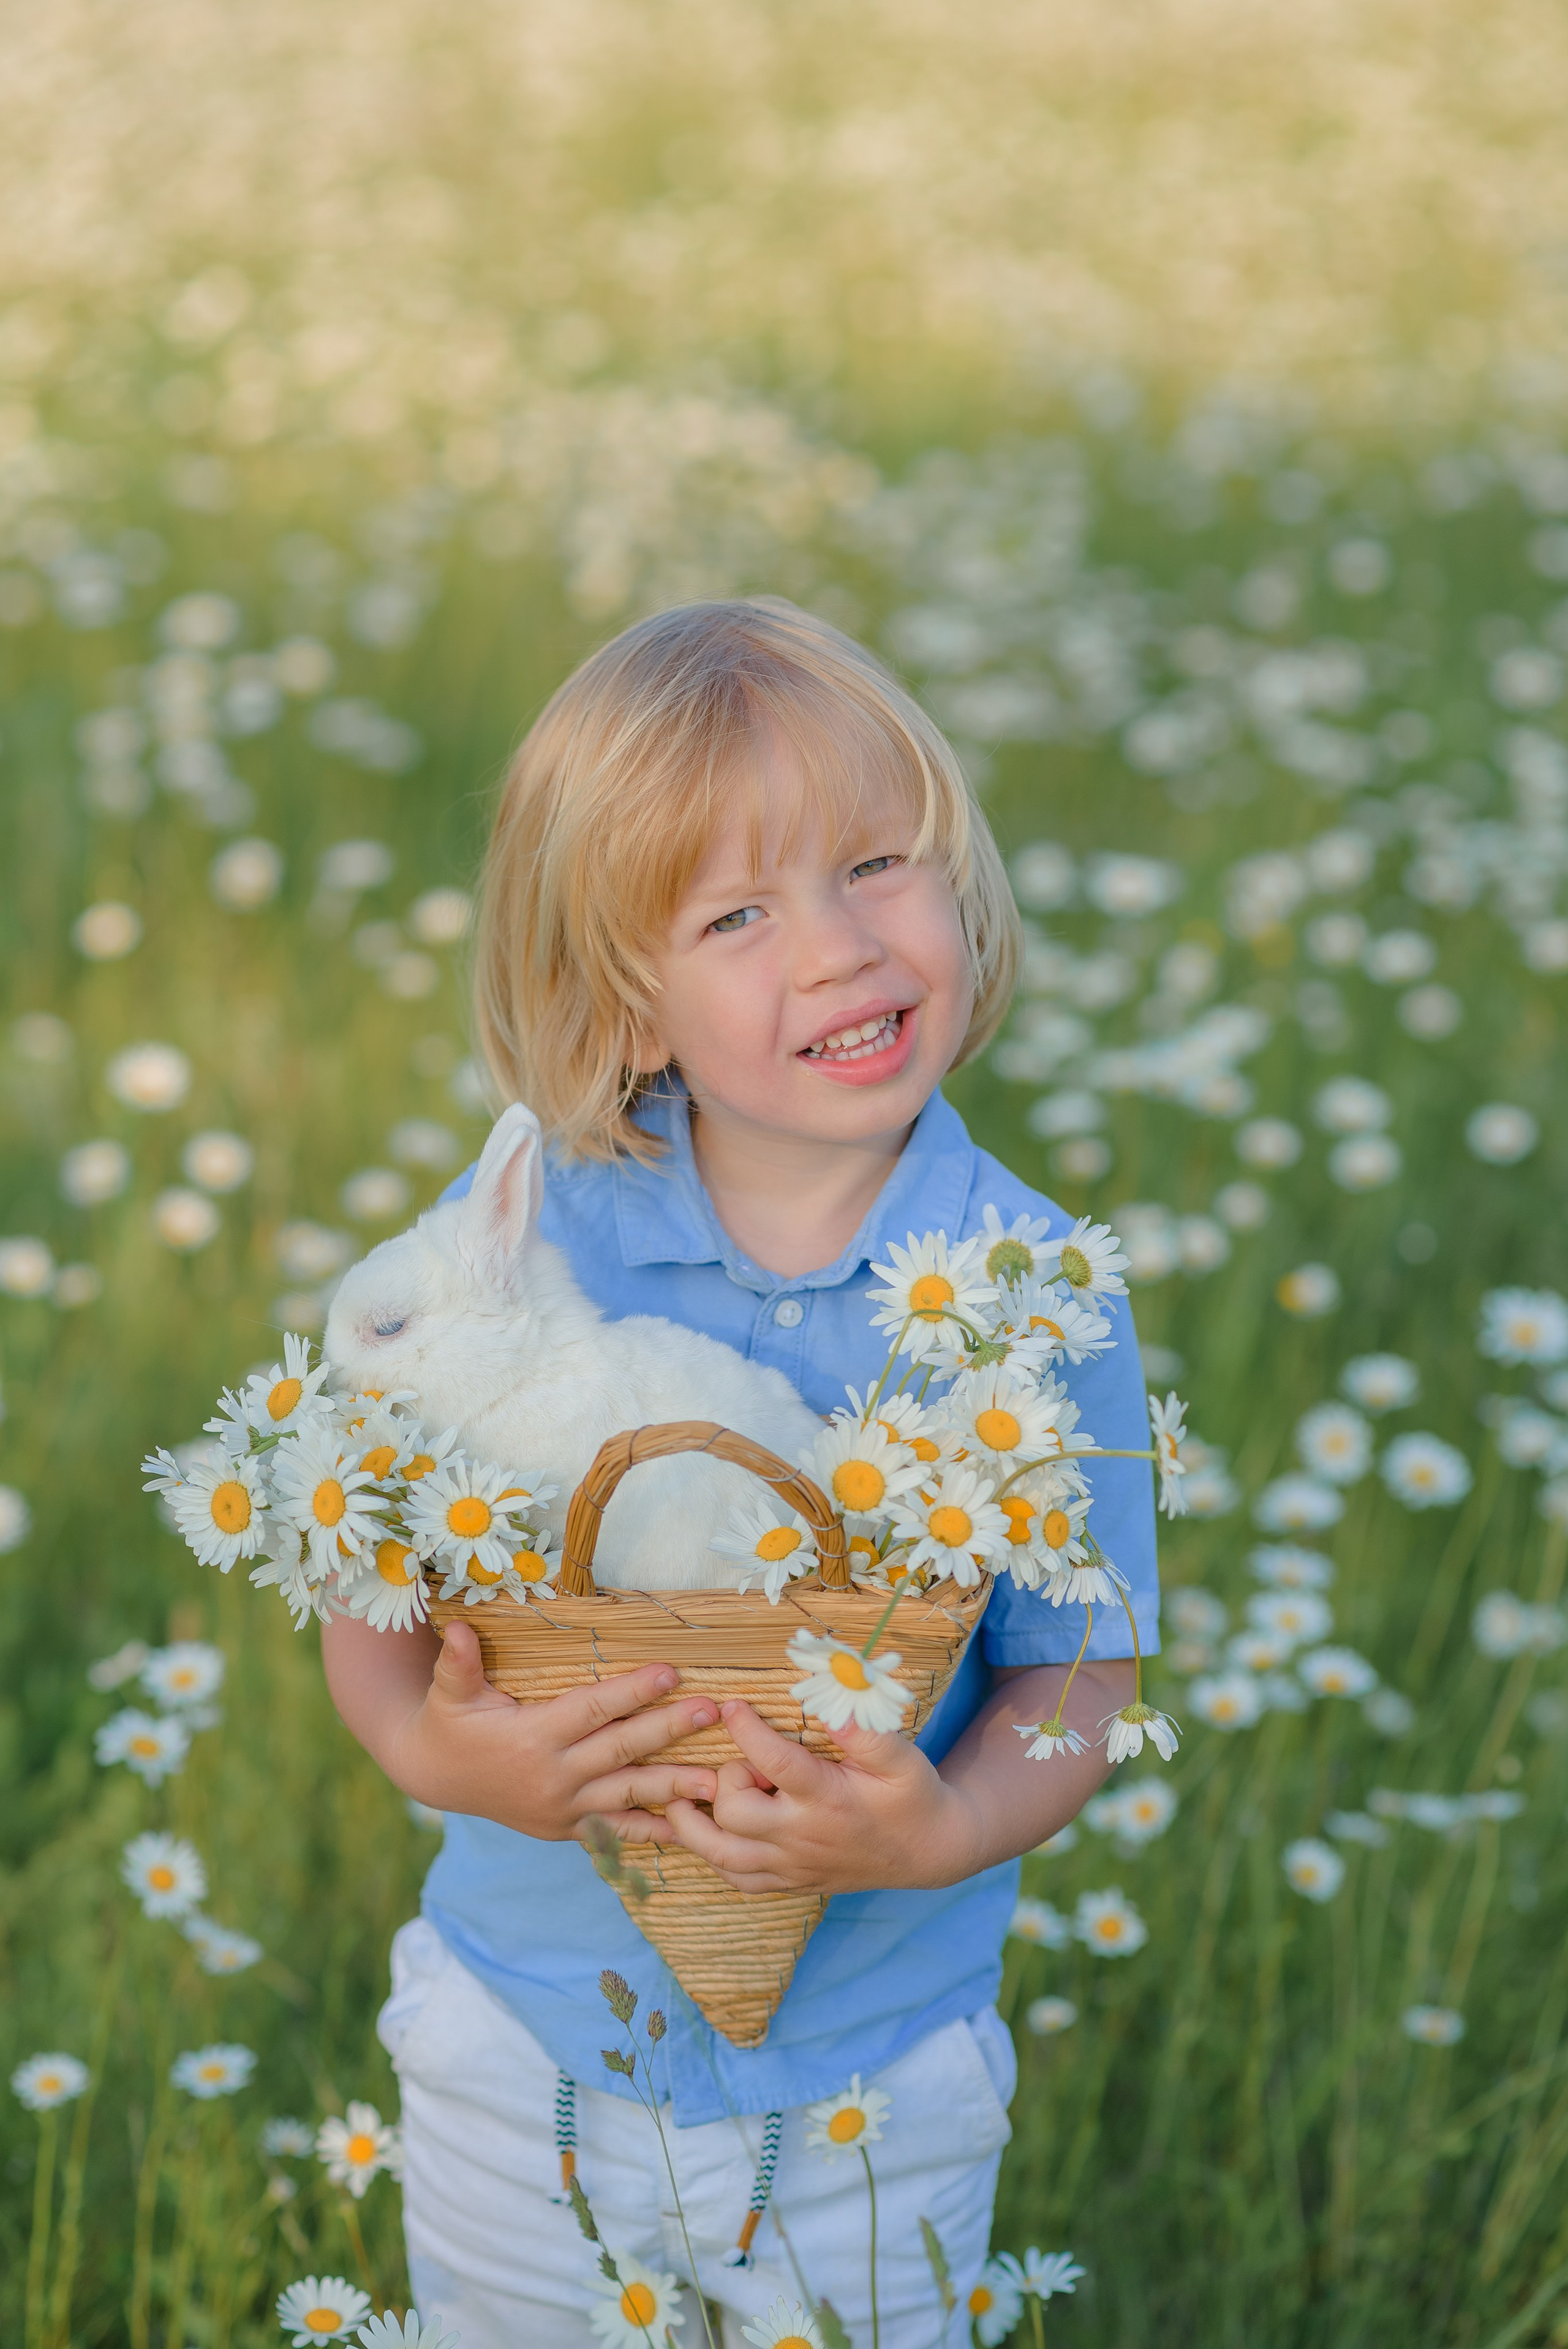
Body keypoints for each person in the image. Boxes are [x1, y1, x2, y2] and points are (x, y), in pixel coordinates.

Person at [322, 597, 1159, 2347]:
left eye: (878, 862)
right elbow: (365, 1542)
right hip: (528, 2029)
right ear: (630, 992)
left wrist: (951, 1825)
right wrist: (422, 1740)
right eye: (738, 912)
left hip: (879, 2076)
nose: (842, 948)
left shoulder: (1029, 1291)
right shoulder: (533, 1227)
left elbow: (1085, 1672)